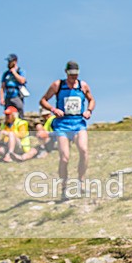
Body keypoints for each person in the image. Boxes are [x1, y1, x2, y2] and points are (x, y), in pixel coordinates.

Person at [39, 61, 95, 199]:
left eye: (75, 75)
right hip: (62, 126)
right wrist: (53, 109)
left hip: (78, 124)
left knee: (84, 150)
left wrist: (89, 110)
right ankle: (64, 189)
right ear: (66, 72)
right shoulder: (57, 85)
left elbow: (92, 100)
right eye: (71, 75)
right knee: (64, 158)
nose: (73, 78)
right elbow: (43, 100)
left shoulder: (83, 85)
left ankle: (81, 183)